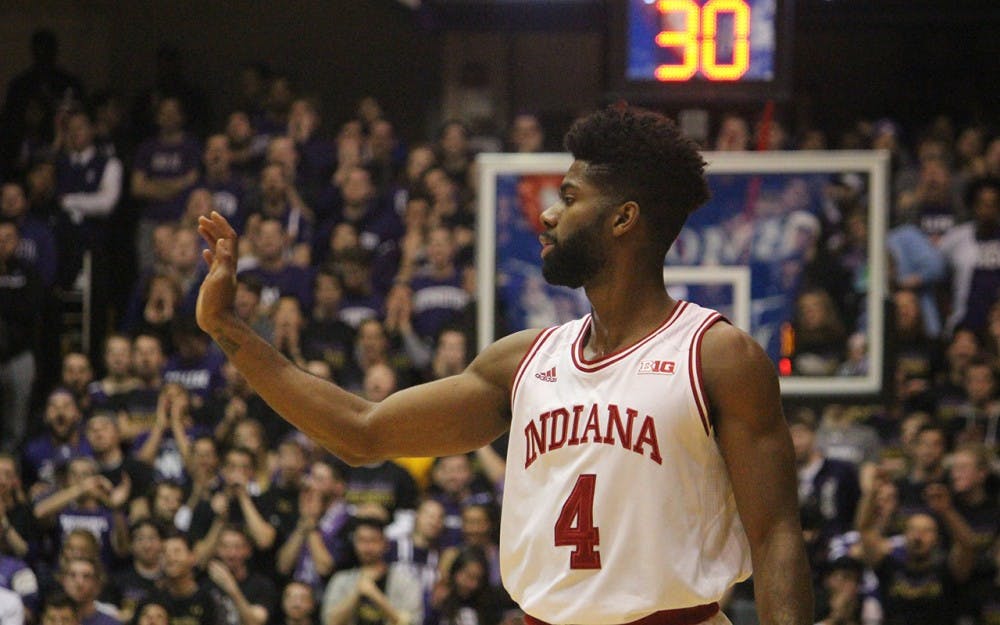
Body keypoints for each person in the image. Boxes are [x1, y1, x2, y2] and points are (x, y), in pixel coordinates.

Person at [196, 106, 812, 624]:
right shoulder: (523, 361)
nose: (547, 213)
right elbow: (362, 432)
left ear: (624, 218)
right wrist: (230, 330)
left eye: (569, 198)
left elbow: (777, 535)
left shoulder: (717, 355)